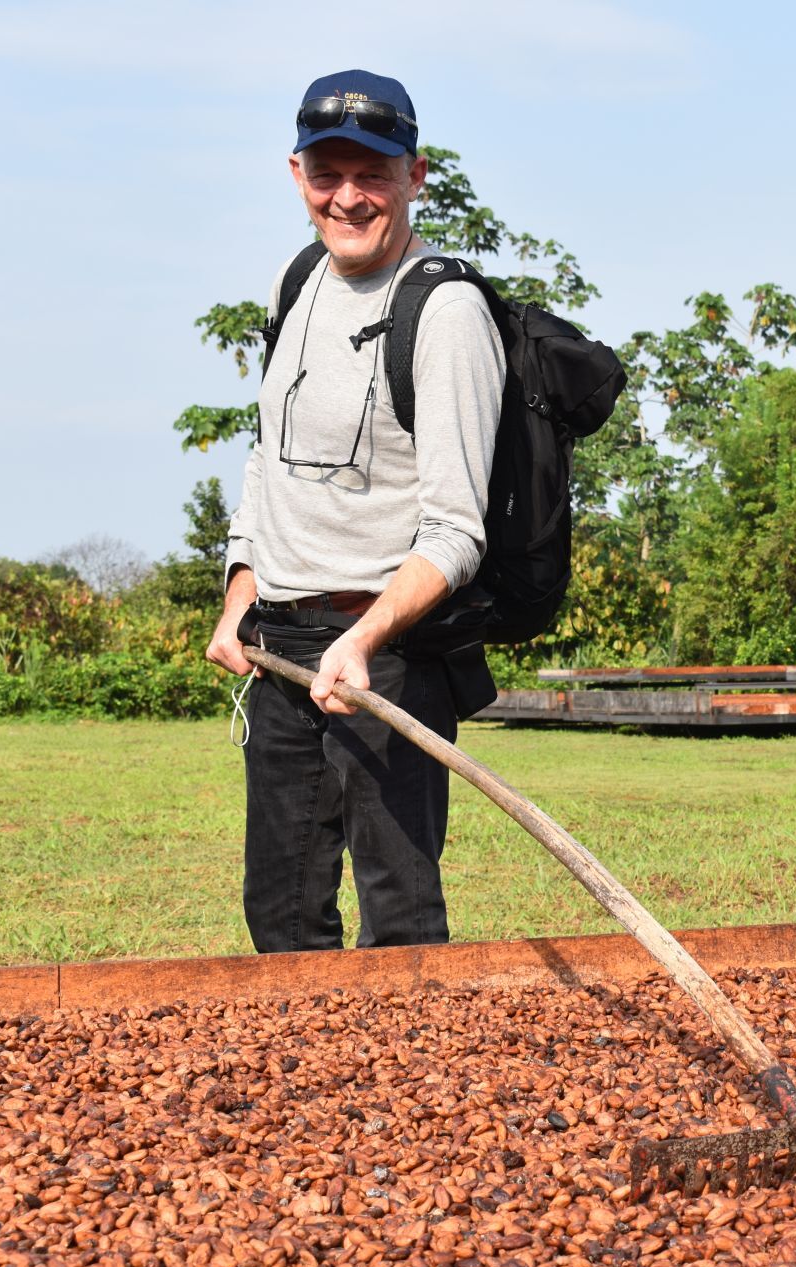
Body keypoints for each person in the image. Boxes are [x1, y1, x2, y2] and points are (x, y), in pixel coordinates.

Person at [205, 69, 502, 953]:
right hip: (280, 651)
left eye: (372, 173)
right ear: (297, 175)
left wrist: (363, 640)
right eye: (327, 173)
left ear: (414, 175)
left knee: (398, 914)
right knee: (281, 910)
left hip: (389, 656)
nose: (348, 196)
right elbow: (269, 457)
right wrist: (240, 592)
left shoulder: (445, 312)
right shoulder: (294, 282)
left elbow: (457, 529)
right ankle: (305, 1091)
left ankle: (419, 1092)